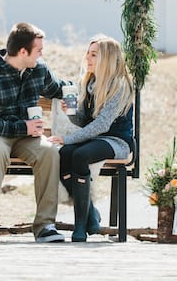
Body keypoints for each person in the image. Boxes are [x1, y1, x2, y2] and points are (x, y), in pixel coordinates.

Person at [0, 22, 67, 243]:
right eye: (38, 50)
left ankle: (45, 225)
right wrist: (22, 127)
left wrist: (73, 94)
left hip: (22, 137)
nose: (42, 54)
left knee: (49, 152)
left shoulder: (38, 70)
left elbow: (58, 88)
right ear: (23, 51)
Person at [49, 34, 135, 242]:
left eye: (94, 55)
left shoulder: (120, 85)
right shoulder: (89, 83)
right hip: (94, 139)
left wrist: (68, 138)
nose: (88, 58)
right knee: (64, 154)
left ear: (106, 58)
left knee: (79, 155)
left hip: (116, 141)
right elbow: (86, 122)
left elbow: (102, 125)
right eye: (88, 53)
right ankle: (90, 214)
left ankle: (80, 226)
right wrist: (71, 113)